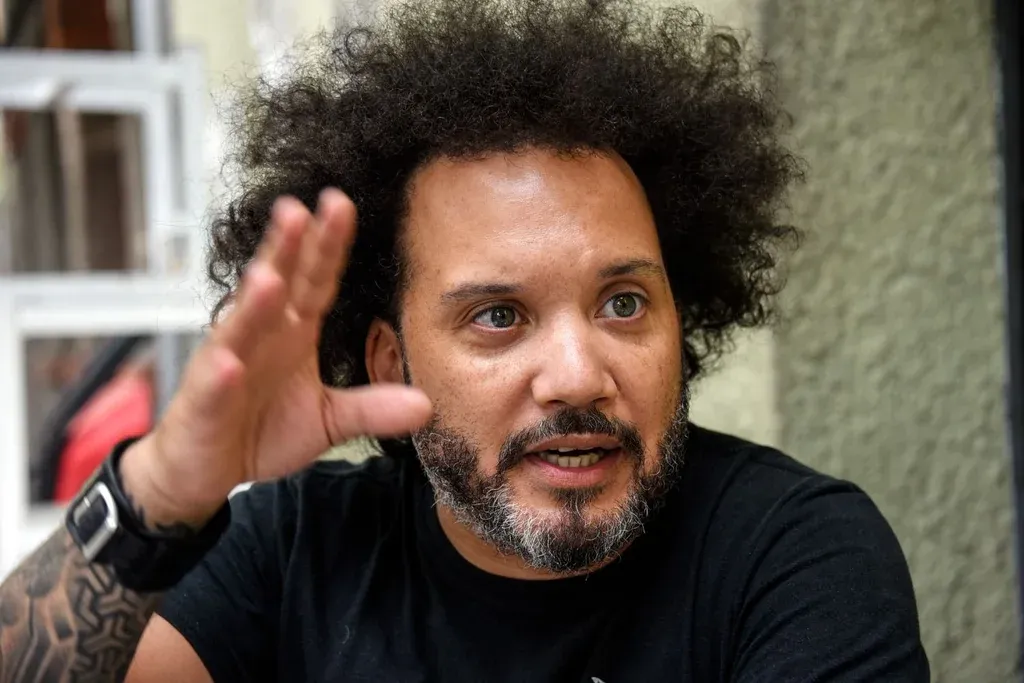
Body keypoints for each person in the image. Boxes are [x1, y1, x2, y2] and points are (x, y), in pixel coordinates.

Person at [0, 1, 930, 681]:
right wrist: (161, 489)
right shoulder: (295, 552)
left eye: (622, 303)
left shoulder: (791, 552)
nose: (578, 375)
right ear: (389, 360)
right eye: (499, 317)